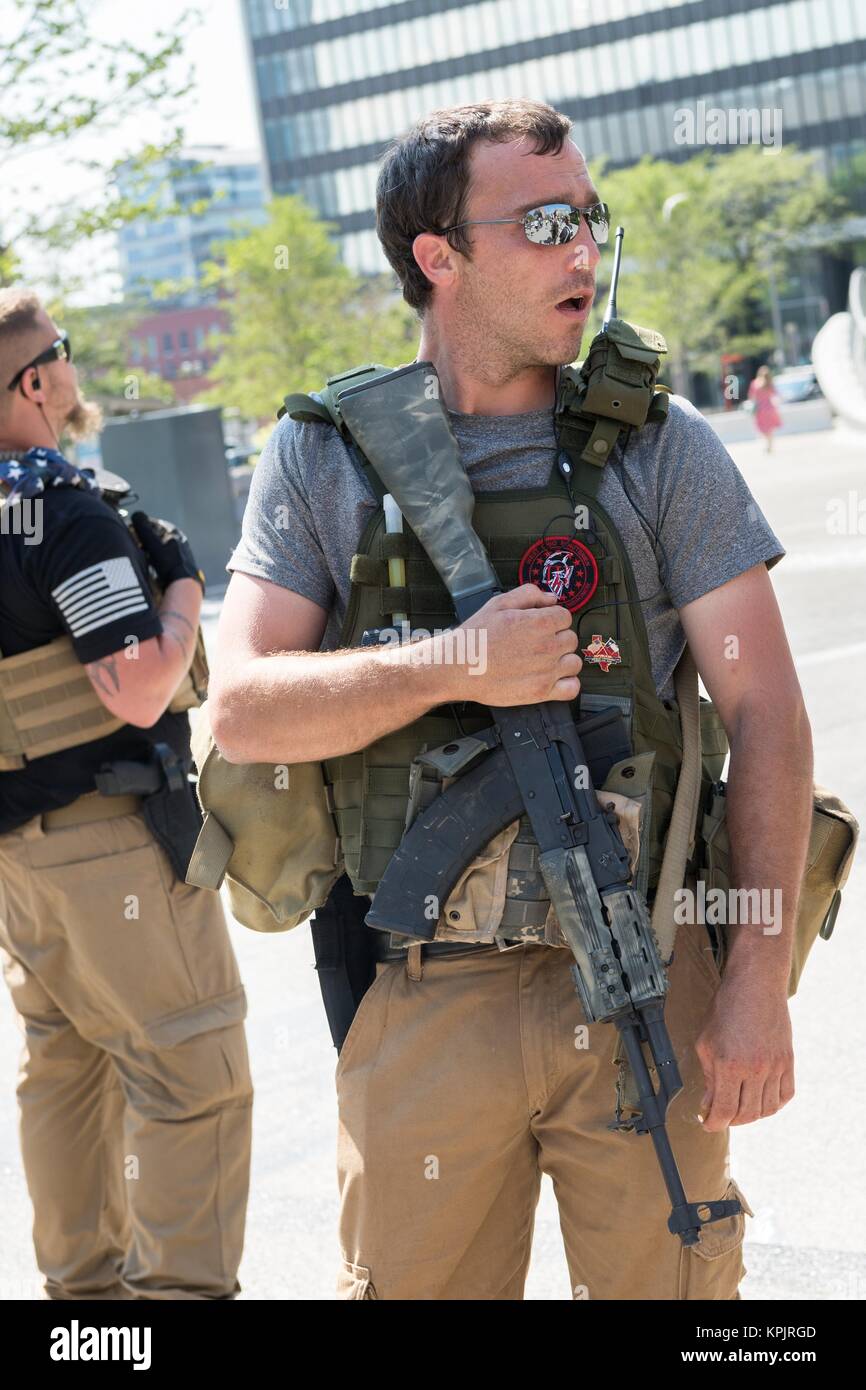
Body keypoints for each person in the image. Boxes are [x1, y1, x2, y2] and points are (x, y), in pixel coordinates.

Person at [211, 100, 813, 1301]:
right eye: (544, 222)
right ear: (439, 256)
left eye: (588, 217)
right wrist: (451, 667)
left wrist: (753, 980)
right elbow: (241, 708)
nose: (581, 249)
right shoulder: (325, 455)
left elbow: (766, 716)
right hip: (423, 991)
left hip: (646, 981)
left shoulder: (659, 446)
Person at [0, 289, 253, 1300]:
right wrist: (185, 589)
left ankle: (86, 1308)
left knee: (65, 1066)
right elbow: (138, 681)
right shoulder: (59, 508)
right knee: (192, 1074)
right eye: (61, 353)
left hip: (21, 854)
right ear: (32, 382)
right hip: (108, 844)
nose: (73, 369)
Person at [747, 364, 783, 452]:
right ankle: (770, 445)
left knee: (762, 428)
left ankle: (768, 445)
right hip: (770, 408)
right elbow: (776, 395)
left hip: (760, 409)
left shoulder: (755, 383)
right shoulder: (769, 383)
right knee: (769, 429)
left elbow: (751, 397)